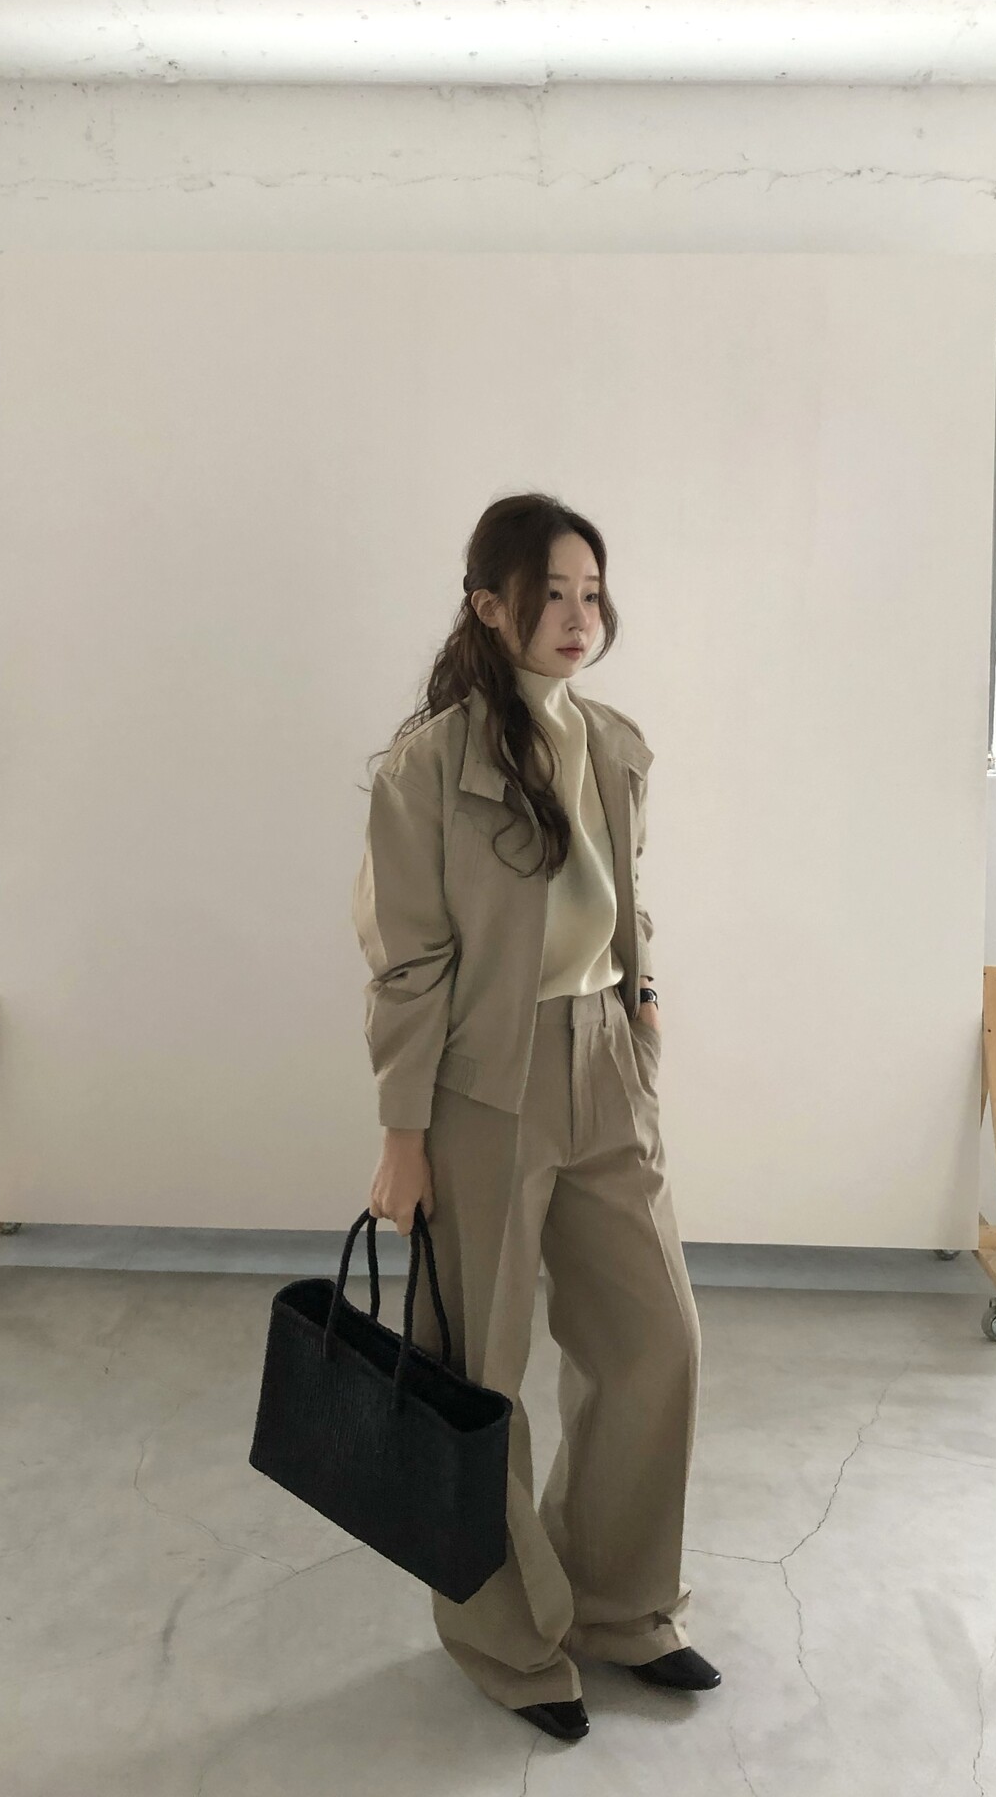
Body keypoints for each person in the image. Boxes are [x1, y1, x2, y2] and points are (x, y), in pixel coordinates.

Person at [352, 492, 719, 1743]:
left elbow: (624, 895)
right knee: (482, 1373)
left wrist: (644, 1005)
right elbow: (407, 963)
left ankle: (619, 1603)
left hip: (605, 1054)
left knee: (655, 1338)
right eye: (551, 592)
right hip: (483, 1086)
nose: (577, 615)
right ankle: (503, 1633)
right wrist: (403, 1135)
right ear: (489, 605)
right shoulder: (425, 768)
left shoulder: (611, 741)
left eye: (591, 592)